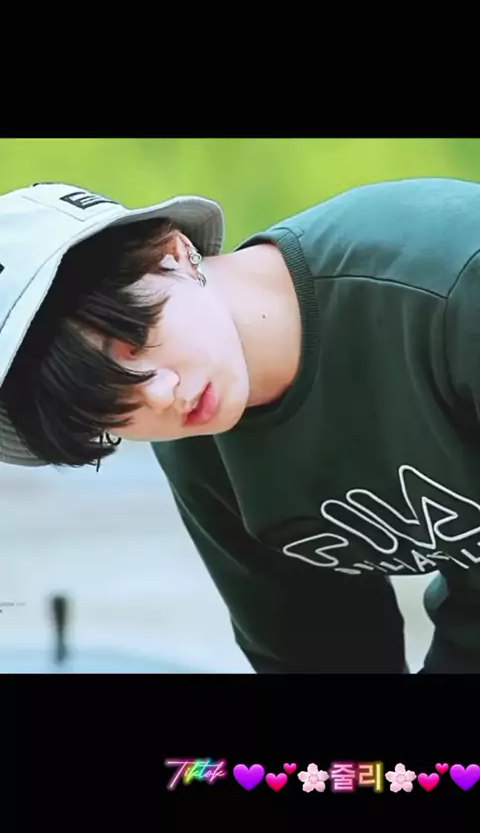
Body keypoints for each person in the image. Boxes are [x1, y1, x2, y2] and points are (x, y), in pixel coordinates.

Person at [1, 177, 480, 674]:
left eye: (137, 339)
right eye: (109, 401)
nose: (159, 394)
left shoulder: (447, 286)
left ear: (172, 253)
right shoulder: (197, 437)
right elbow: (316, 656)